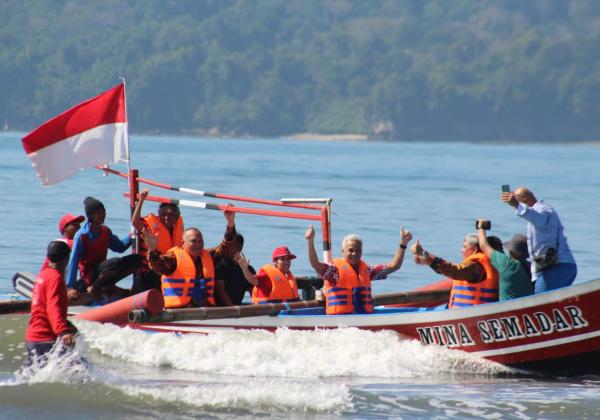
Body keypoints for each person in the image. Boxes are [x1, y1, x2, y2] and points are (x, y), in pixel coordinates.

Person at [305, 224, 413, 315]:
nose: (354, 253)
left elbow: (394, 266)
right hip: (341, 319)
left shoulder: (367, 270)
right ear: (343, 251)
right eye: (350, 250)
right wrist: (310, 241)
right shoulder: (334, 271)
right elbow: (315, 264)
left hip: (362, 317)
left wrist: (403, 244)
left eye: (358, 250)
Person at [144, 210, 237, 308]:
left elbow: (225, 249)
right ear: (183, 243)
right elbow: (158, 266)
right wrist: (153, 249)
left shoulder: (208, 255)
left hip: (205, 309)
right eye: (193, 241)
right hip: (179, 310)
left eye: (200, 241)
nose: (198, 245)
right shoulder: (173, 257)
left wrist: (230, 223)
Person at [501, 187, 577, 292]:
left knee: (541, 299)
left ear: (525, 197)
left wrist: (516, 205)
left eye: (515, 197)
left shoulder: (542, 209)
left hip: (556, 267)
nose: (513, 198)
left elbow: (539, 219)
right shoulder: (537, 211)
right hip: (559, 266)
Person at [66, 196, 142, 302]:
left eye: (103, 211)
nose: (102, 214)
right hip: (89, 277)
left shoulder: (105, 231)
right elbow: (73, 262)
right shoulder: (82, 235)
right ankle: (95, 287)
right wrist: (70, 287)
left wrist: (133, 234)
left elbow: (120, 247)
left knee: (137, 259)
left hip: (105, 272)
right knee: (114, 262)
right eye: (97, 212)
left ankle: (108, 286)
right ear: (90, 216)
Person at [411, 233, 499, 308]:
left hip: (472, 315)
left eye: (464, 247)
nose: (461, 250)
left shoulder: (475, 266)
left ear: (475, 250)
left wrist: (424, 254)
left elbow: (452, 270)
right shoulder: (482, 263)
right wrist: (425, 260)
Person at [25, 241, 78, 364]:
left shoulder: (43, 275)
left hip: (33, 337)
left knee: (30, 377)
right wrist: (63, 331)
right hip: (45, 339)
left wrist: (66, 324)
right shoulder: (56, 278)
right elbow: (53, 307)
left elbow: (43, 307)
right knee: (81, 373)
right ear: (67, 259)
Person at [131, 188, 184, 293]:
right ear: (159, 214)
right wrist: (141, 200)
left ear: (177, 217)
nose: (167, 218)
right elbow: (135, 222)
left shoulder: (179, 228)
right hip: (151, 270)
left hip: (169, 268)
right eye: (163, 214)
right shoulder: (151, 226)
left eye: (171, 215)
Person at [476, 220, 534, 300]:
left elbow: (483, 245)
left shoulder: (507, 264)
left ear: (510, 250)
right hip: (526, 307)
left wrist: (481, 227)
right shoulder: (531, 266)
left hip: (508, 309)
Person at [214, 233, 255, 305]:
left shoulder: (248, 269)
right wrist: (233, 309)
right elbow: (220, 291)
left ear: (240, 247)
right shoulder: (219, 265)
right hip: (220, 308)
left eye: (233, 246)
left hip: (238, 307)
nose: (228, 248)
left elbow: (254, 292)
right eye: (227, 245)